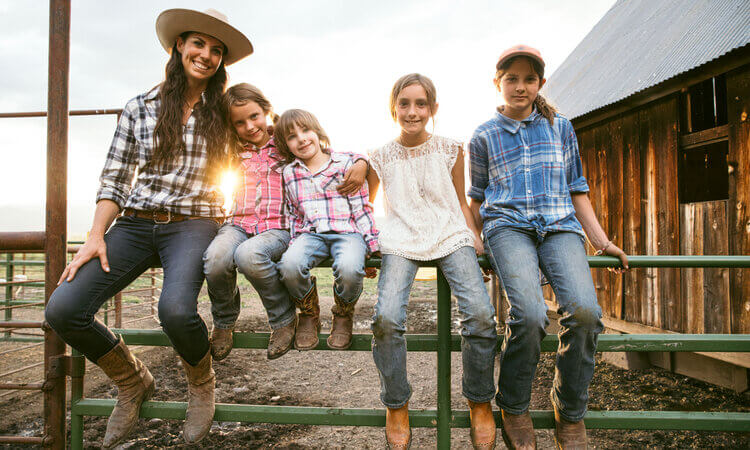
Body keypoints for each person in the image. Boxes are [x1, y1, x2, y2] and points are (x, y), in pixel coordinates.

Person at [44, 8, 252, 447]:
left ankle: (201, 383)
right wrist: (97, 234)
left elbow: (271, 137)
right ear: (179, 45)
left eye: (217, 51)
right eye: (199, 44)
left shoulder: (225, 111)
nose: (207, 55)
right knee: (63, 310)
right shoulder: (140, 107)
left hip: (195, 222)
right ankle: (133, 379)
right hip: (135, 223)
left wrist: (356, 166)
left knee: (175, 311)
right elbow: (115, 178)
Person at [468, 45, 629, 450]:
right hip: (508, 228)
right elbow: (475, 198)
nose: (520, 87)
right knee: (530, 316)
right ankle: (514, 405)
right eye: (511, 79)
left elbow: (577, 189)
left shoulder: (562, 128)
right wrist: (474, 240)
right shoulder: (483, 135)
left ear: (540, 83)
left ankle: (569, 411)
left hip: (559, 226)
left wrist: (602, 241)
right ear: (497, 83)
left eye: (529, 79)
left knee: (587, 314)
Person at [368, 74, 498, 449]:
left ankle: (479, 400)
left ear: (433, 109)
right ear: (393, 108)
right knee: (387, 318)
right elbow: (366, 207)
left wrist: (475, 237)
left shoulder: (451, 149)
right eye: (404, 103)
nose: (412, 111)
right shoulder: (379, 157)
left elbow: (460, 200)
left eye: (420, 104)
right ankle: (397, 403)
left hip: (449, 233)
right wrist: (365, 246)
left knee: (479, 314)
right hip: (399, 238)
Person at [203, 84, 369, 361]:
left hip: (277, 225)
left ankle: (282, 319)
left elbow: (326, 154)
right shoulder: (229, 148)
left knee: (249, 255)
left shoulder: (284, 142)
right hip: (238, 222)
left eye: (254, 116)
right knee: (215, 258)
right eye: (239, 122)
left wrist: (362, 162)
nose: (249, 126)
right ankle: (223, 321)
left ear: (266, 111)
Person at [276, 109, 379, 352]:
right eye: (292, 136)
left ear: (317, 132)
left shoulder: (345, 163)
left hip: (347, 232)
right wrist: (294, 242)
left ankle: (343, 312)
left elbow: (361, 207)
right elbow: (293, 213)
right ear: (286, 145)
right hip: (310, 234)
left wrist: (372, 245)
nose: (301, 139)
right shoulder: (290, 173)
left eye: (305, 130)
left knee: (350, 268)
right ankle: (309, 313)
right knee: (289, 265)